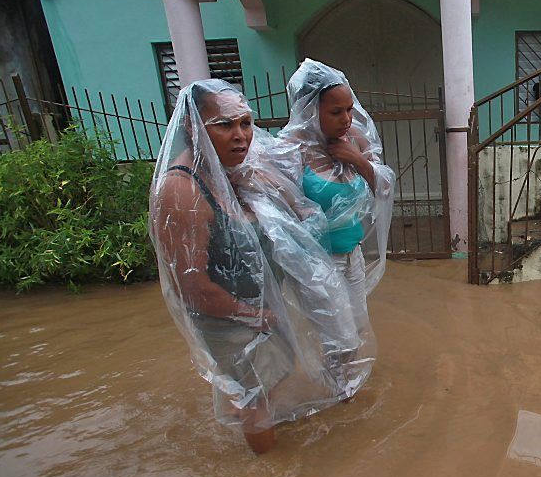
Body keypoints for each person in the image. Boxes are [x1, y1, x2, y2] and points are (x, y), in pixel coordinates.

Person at [148, 79, 367, 454]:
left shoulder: (239, 173)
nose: (240, 136)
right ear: (193, 127)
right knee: (255, 400)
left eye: (246, 124)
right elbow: (192, 286)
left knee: (270, 381)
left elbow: (298, 212)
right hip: (226, 316)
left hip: (261, 307)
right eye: (225, 125)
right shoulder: (181, 191)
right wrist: (252, 314)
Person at [277, 60, 395, 361]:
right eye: (335, 112)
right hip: (316, 262)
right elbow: (280, 213)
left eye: (349, 109)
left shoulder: (354, 139)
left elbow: (383, 188)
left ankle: (346, 394)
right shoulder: (288, 151)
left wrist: (358, 160)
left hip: (351, 253)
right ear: (309, 109)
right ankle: (341, 397)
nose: (346, 118)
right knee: (338, 341)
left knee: (355, 331)